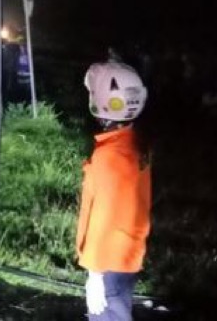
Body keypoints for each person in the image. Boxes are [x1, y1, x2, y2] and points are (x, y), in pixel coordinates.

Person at [76, 61, 151, 320]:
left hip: (108, 260)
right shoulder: (135, 145)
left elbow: (103, 218)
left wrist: (94, 274)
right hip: (127, 251)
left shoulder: (110, 156)